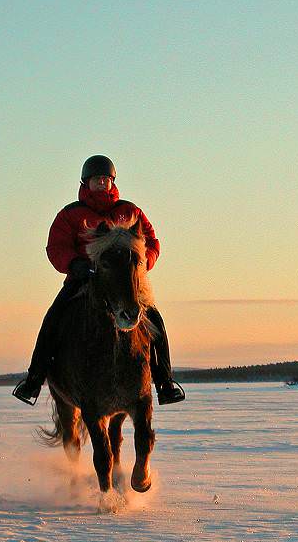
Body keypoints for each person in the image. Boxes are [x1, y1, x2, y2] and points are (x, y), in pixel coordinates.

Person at [12, 155, 185, 406]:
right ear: (86, 183)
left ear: (112, 182)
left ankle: (164, 382)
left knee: (154, 320)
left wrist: (141, 265)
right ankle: (34, 379)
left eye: (106, 180)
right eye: (97, 180)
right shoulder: (70, 215)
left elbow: (151, 242)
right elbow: (56, 247)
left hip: (125, 284)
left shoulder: (130, 211)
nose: (102, 184)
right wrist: (74, 263)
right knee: (54, 317)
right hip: (83, 280)